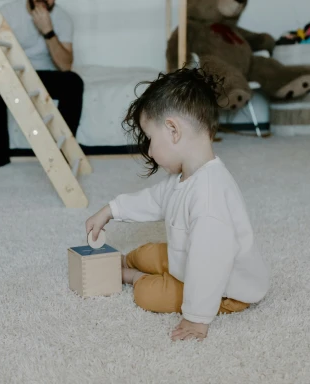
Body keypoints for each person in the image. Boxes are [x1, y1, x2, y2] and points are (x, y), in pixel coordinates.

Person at [85, 68, 270, 341]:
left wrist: (196, 320)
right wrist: (111, 210)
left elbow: (208, 268)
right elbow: (156, 199)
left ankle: (131, 277)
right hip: (190, 260)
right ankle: (129, 264)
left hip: (226, 288)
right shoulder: (188, 175)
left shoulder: (209, 199)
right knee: (146, 252)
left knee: (148, 294)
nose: (148, 150)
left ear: (173, 130)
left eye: (150, 139)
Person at [0, 0, 84, 168]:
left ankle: (62, 154)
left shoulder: (63, 18)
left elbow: (65, 66)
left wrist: (48, 31)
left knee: (74, 82)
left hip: (46, 75)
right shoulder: (8, 12)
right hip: (14, 74)